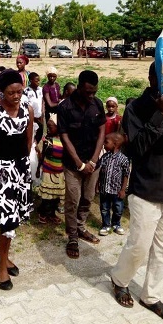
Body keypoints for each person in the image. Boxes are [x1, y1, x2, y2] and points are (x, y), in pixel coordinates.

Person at [110, 62, 163, 322]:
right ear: (152, 78)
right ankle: (120, 279)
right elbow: (137, 148)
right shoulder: (136, 107)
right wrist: (160, 114)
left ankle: (151, 296)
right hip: (146, 189)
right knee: (140, 244)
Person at [0, 69, 34, 290]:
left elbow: (29, 138)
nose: (16, 96)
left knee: (15, 218)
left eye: (19, 92)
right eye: (11, 92)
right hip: (3, 171)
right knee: (7, 221)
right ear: (1, 92)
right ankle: (1, 268)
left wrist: (22, 165)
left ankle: (3, 257)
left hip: (21, 169)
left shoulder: (27, 109)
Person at [57, 70, 106, 259]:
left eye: (94, 91)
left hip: (94, 162)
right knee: (73, 199)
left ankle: (81, 227)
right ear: (79, 87)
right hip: (72, 164)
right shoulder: (65, 107)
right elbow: (64, 136)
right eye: (88, 92)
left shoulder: (97, 104)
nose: (91, 95)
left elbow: (102, 131)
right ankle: (72, 237)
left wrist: (93, 160)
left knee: (87, 197)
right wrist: (79, 163)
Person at [97, 132, 129, 236]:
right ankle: (106, 225)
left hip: (117, 190)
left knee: (118, 208)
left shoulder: (123, 159)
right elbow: (99, 171)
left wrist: (123, 189)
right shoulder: (104, 157)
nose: (104, 144)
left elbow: (126, 175)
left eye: (106, 142)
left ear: (115, 144)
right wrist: (97, 185)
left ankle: (116, 224)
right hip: (104, 189)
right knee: (104, 208)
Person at [36, 114, 64, 225]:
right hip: (48, 171)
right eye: (47, 127)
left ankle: (52, 214)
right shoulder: (47, 140)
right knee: (47, 196)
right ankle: (43, 213)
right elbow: (42, 155)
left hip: (60, 172)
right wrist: (38, 168)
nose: (48, 129)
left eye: (51, 127)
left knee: (56, 197)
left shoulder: (64, 141)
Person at [23, 72, 44, 144]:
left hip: (40, 117)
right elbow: (25, 105)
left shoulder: (41, 90)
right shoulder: (26, 91)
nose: (38, 82)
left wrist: (42, 113)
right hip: (32, 118)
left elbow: (42, 102)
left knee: (40, 134)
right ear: (31, 81)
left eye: (39, 80)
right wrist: (32, 117)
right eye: (36, 81)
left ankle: (36, 148)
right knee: (31, 134)